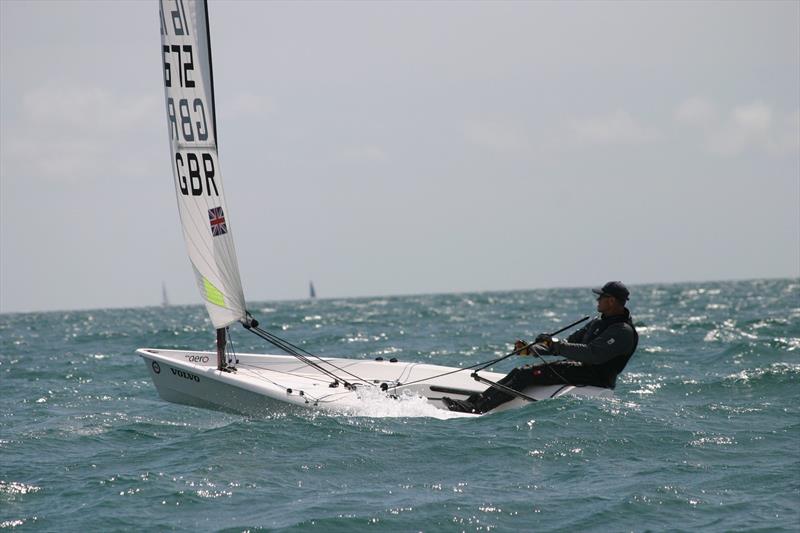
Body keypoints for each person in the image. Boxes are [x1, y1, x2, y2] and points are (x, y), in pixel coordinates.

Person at [443, 281, 639, 414]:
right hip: (579, 370)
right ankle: (473, 403)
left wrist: (556, 346)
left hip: (596, 378)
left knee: (524, 374)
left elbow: (594, 355)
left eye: (601, 297)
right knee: (519, 371)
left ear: (611, 301)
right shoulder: (598, 322)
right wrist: (534, 350)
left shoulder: (622, 331)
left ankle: (476, 409)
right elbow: (569, 344)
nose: (597, 300)